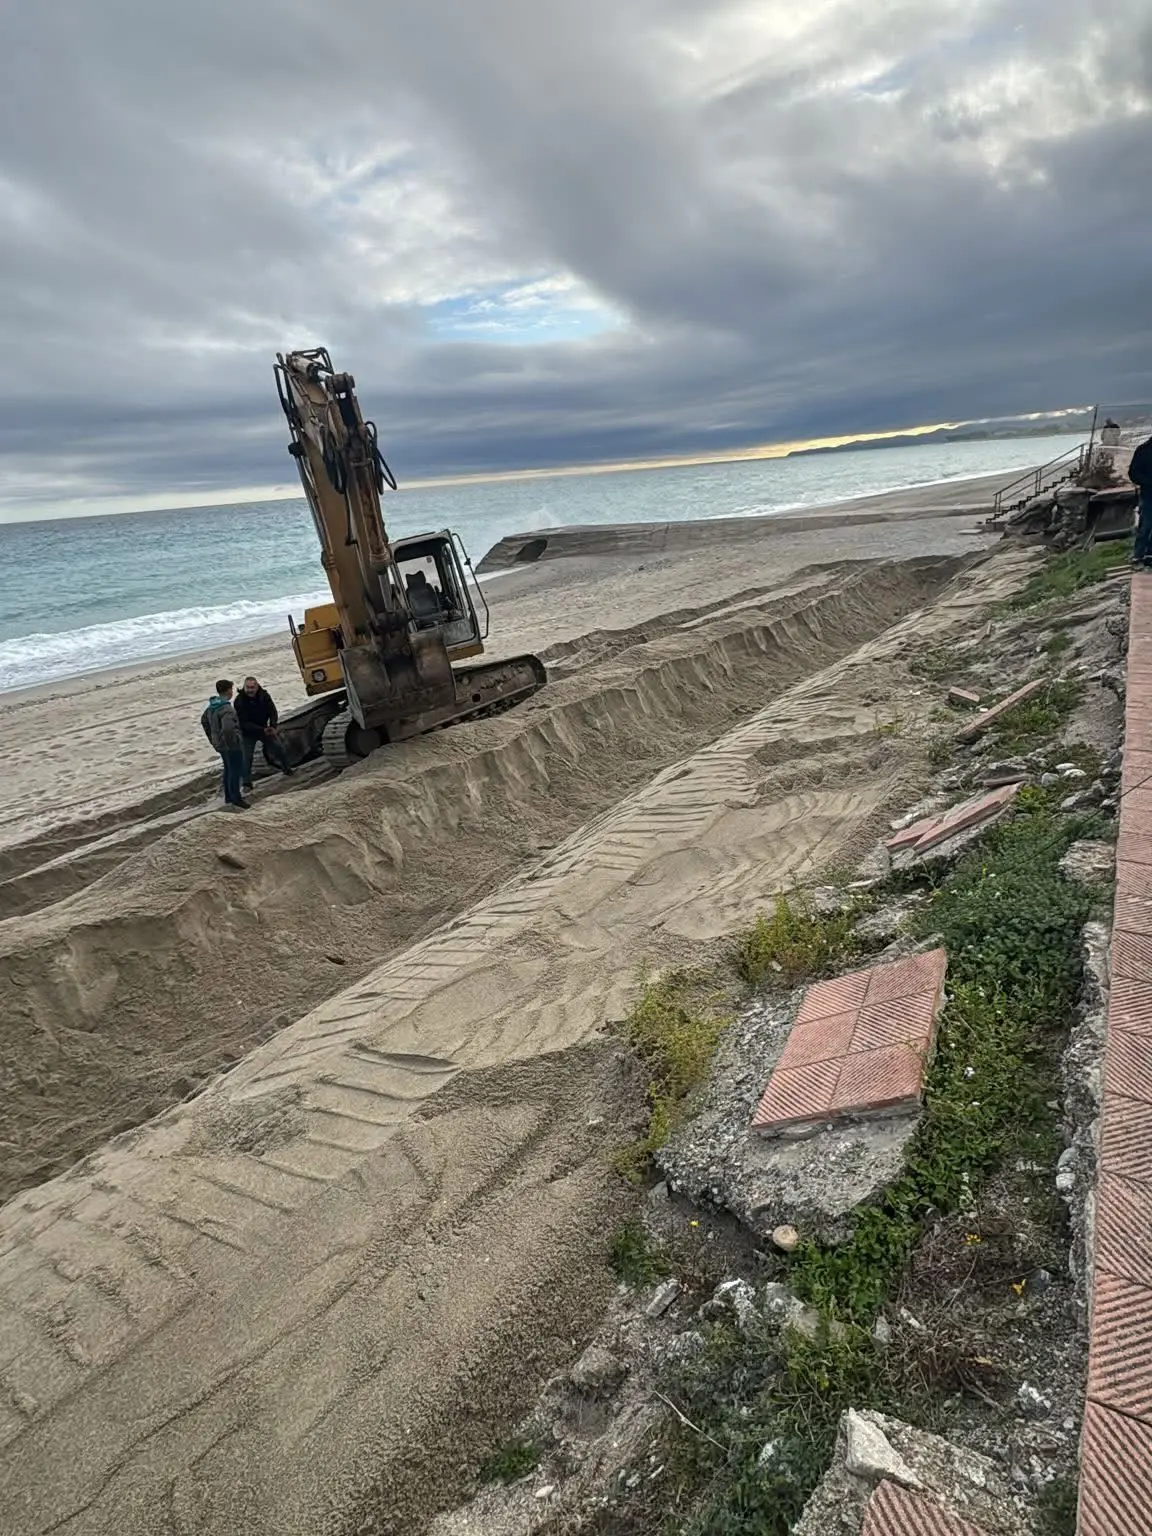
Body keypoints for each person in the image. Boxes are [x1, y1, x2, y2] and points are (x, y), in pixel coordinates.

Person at [234, 675, 294, 790]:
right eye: (248, 687)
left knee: (279, 748)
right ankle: (246, 783)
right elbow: (243, 722)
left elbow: (273, 711)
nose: (250, 690)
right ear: (244, 687)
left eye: (253, 687)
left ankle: (287, 769)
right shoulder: (239, 701)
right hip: (247, 732)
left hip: (265, 728)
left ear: (257, 687)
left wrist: (272, 725)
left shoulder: (264, 695)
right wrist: (262, 729)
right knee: (247, 758)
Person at [200, 680, 249, 810]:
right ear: (228, 691)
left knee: (228, 769)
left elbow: (204, 721)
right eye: (231, 689)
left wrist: (213, 740)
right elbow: (228, 729)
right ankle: (236, 798)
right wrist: (235, 741)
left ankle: (228, 796)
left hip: (220, 745)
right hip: (231, 745)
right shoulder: (226, 709)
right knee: (235, 770)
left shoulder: (211, 707)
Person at [1129, 434, 1152, 569]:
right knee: (1145, 526)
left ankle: (1150, 555)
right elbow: (1133, 473)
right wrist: (1148, 482)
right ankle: (1137, 556)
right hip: (1149, 494)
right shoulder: (1143, 450)